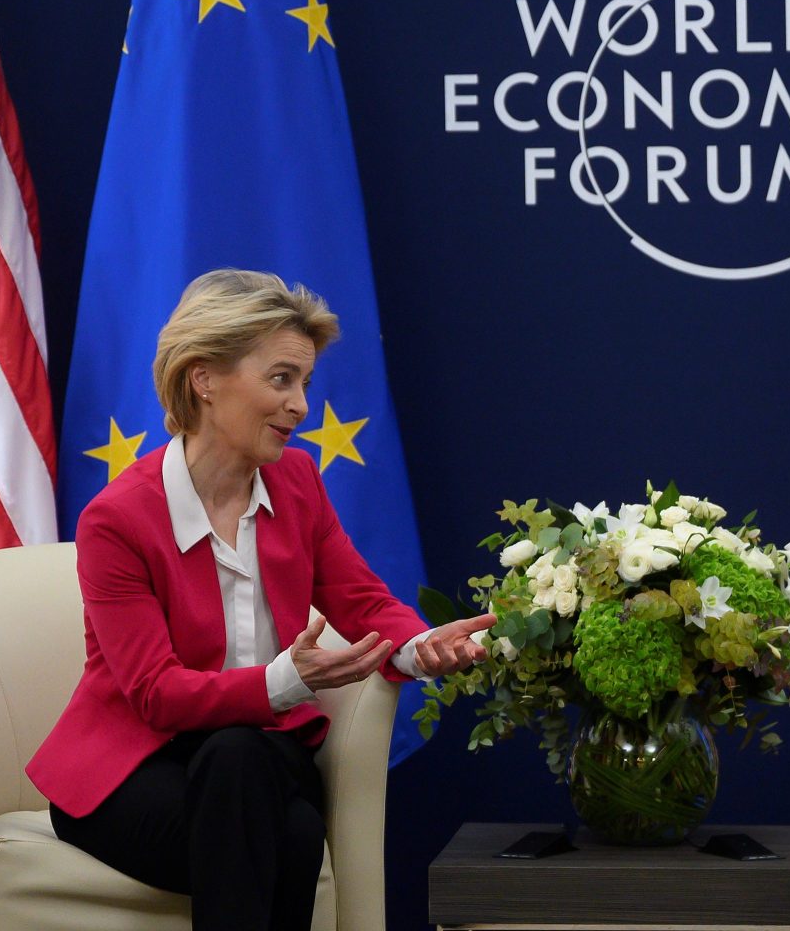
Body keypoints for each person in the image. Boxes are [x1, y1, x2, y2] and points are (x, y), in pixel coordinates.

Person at [27, 269, 494, 931]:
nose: (301, 405)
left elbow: (360, 599)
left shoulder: (298, 481)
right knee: (294, 833)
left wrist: (423, 647)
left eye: (304, 382)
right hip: (133, 770)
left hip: (260, 759)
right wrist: (286, 680)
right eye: (281, 379)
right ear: (204, 379)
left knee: (241, 756)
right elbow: (156, 694)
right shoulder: (118, 520)